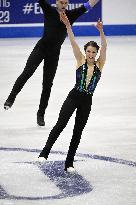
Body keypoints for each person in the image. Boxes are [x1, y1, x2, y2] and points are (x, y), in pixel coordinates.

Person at [4, 0, 100, 126]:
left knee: (47, 84)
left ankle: (41, 113)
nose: (64, 5)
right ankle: (11, 98)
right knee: (27, 72)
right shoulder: (49, 10)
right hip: (41, 48)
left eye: (66, 3)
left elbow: (88, 4)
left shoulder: (71, 14)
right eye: (61, 2)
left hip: (54, 54)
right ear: (56, 2)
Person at [38, 12, 107, 172]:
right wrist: (68, 26)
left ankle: (69, 162)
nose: (91, 54)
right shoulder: (80, 60)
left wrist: (101, 31)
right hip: (73, 97)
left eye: (93, 52)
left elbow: (105, 47)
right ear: (85, 52)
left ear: (96, 54)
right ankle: (45, 152)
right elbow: (72, 41)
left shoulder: (100, 64)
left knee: (78, 131)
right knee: (61, 124)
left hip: (87, 101)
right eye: (88, 51)